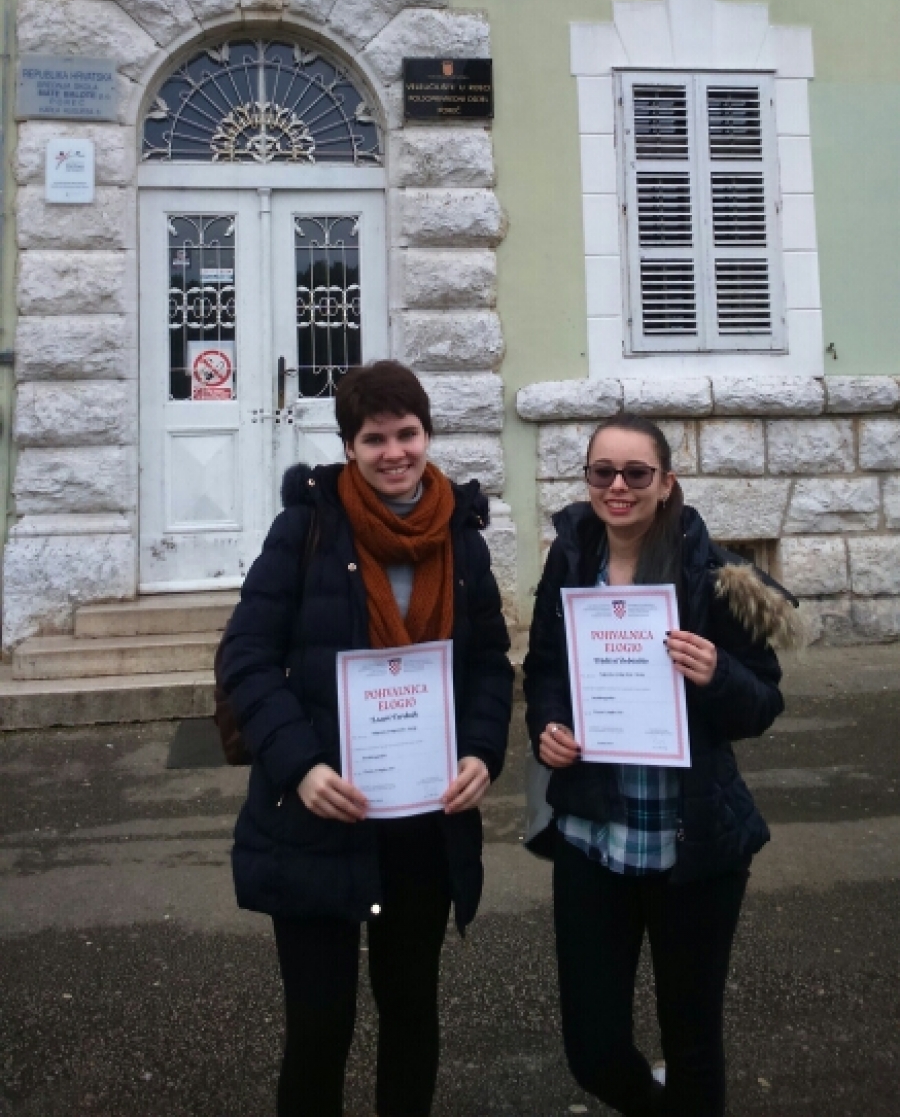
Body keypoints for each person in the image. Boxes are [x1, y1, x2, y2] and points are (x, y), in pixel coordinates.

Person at [218, 360, 513, 1117]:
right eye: (374, 438)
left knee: (411, 1014)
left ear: (427, 434)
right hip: (319, 817)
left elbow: (486, 663)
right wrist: (300, 766)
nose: (394, 453)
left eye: (407, 434)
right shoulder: (307, 529)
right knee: (320, 1026)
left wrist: (482, 752)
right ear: (349, 446)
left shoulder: (462, 536)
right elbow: (245, 655)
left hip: (422, 820)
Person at [523, 411, 797, 1117]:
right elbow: (547, 669)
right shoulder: (570, 559)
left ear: (666, 482)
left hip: (693, 843)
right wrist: (548, 726)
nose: (618, 486)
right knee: (592, 1047)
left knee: (693, 1039)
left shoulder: (716, 576)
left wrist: (716, 674)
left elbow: (763, 702)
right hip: (594, 835)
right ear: (587, 482)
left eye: (636, 473)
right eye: (602, 472)